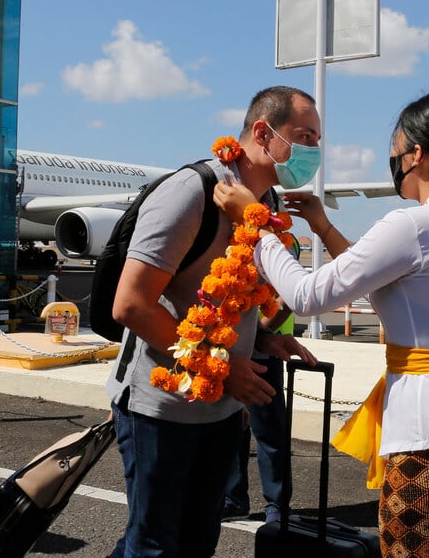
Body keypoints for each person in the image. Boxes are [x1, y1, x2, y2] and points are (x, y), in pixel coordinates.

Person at [215, 83, 429, 557]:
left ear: (416, 154)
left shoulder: (413, 225)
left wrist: (253, 224)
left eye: (395, 150)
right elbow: (379, 280)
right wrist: (322, 227)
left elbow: (307, 294)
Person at [106, 85, 319, 558]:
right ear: (263, 133)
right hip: (161, 408)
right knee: (154, 546)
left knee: (199, 542)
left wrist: (262, 340)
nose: (313, 152)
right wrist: (224, 367)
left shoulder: (267, 208)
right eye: (304, 137)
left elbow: (237, 301)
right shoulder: (192, 192)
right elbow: (132, 305)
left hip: (222, 411)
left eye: (318, 140)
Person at [223, 238, 300, 524]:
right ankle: (232, 498)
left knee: (268, 431)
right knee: (231, 425)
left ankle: (277, 504)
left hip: (264, 350)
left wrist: (260, 335)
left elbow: (289, 294)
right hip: (229, 351)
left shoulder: (277, 243)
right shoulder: (226, 240)